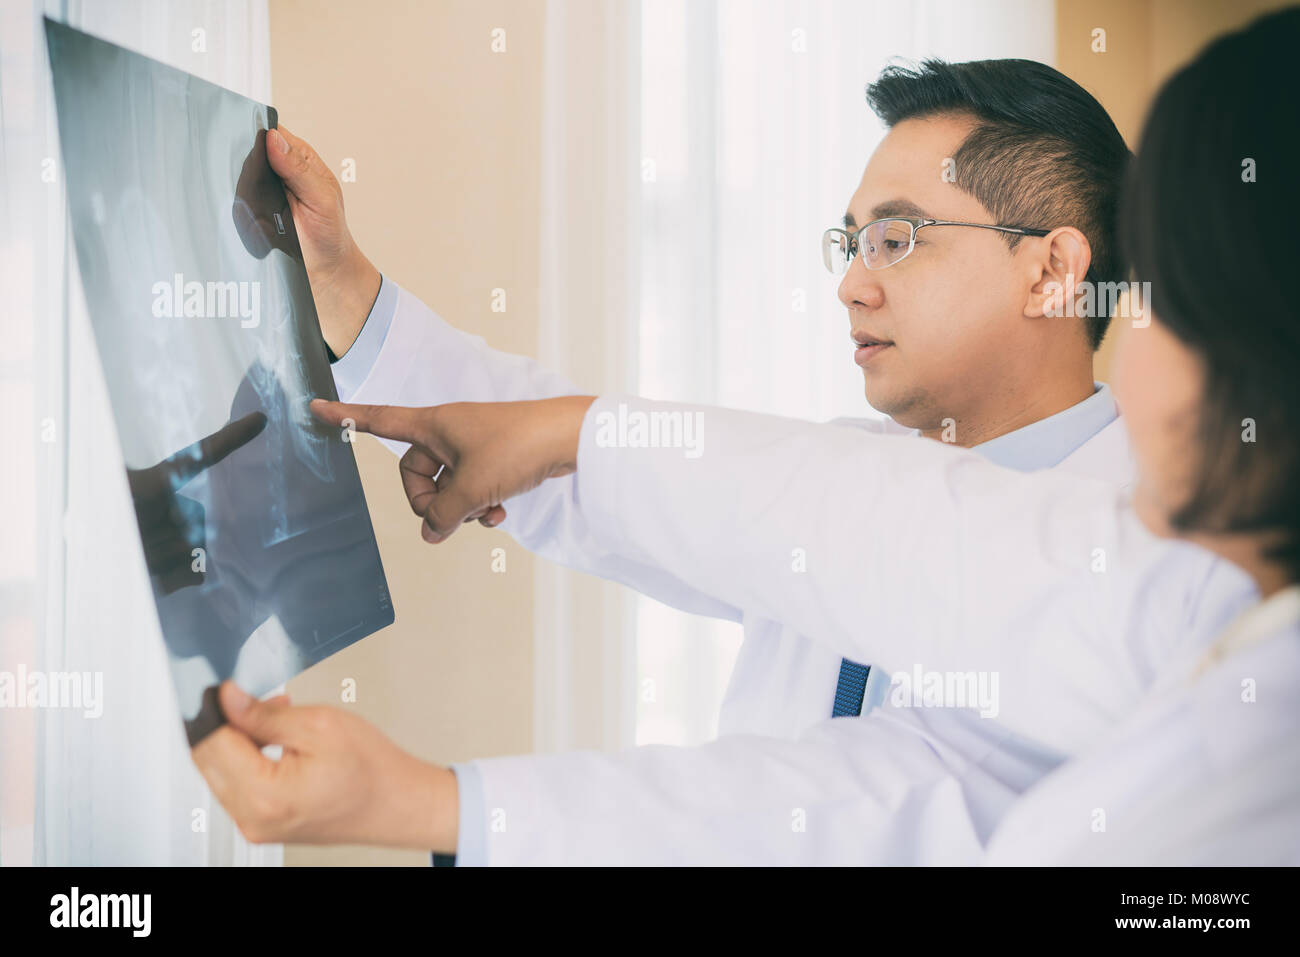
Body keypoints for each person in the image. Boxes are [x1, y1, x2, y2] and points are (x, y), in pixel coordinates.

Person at [190, 39, 1277, 863]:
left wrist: (438, 804)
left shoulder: (1170, 576)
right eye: (849, 243)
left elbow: (875, 799)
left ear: (1053, 272)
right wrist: (346, 293)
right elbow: (608, 488)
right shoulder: (838, 483)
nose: (851, 281)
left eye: (897, 238)